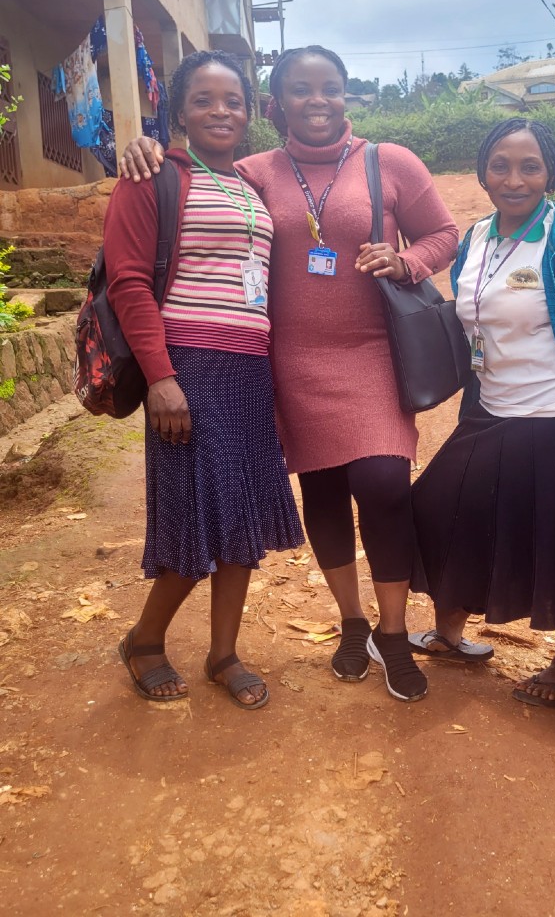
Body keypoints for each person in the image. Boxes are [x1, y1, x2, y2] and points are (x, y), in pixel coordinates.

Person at [120, 46, 459, 702]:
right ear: (276, 107)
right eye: (301, 90)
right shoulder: (250, 172)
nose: (318, 100)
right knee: (324, 493)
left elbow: (442, 233)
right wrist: (140, 146)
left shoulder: (390, 162)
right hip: (285, 361)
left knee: (384, 482)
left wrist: (407, 260)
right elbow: (188, 174)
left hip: (371, 356)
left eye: (330, 88)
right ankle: (352, 624)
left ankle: (394, 632)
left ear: (346, 96)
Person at [109, 50, 304, 710]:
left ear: (250, 113)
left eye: (234, 101)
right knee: (195, 516)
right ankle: (144, 639)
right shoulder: (154, 176)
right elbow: (129, 281)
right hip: (188, 367)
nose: (222, 111)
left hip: (249, 371)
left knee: (241, 517)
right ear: (181, 111)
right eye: (205, 100)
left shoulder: (250, 187)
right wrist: (161, 378)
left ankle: (224, 653)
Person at [409, 118, 555, 707]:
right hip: (490, 410)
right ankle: (448, 633)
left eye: (530, 166)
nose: (514, 178)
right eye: (500, 164)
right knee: (443, 509)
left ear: (550, 171)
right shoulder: (475, 237)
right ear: (483, 170)